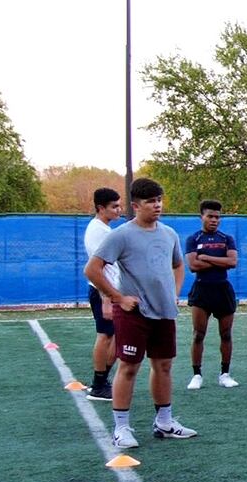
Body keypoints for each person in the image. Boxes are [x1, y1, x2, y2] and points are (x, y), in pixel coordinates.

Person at [84, 178, 196, 449]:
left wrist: (175, 293)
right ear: (135, 206)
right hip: (134, 313)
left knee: (164, 365)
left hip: (164, 312)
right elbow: (92, 270)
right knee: (129, 368)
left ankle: (165, 422)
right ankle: (121, 428)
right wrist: (118, 298)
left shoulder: (169, 234)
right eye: (150, 201)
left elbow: (178, 266)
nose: (156, 205)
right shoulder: (121, 234)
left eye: (159, 200)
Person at [184, 199, 240, 390]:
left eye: (217, 217)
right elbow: (193, 265)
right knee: (198, 334)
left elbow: (232, 262)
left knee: (226, 334)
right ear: (202, 217)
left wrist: (207, 257)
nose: (214, 220)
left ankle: (225, 374)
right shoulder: (193, 239)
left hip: (222, 289)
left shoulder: (227, 238)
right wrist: (221, 260)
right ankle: (197, 375)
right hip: (202, 289)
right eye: (210, 216)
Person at [83, 188, 122, 402]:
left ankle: (101, 381)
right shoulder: (99, 231)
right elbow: (98, 268)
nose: (119, 210)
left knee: (115, 337)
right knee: (105, 336)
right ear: (101, 208)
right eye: (114, 206)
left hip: (110, 291)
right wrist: (106, 297)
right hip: (104, 291)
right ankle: (99, 385)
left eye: (119, 205)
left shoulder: (103, 229)